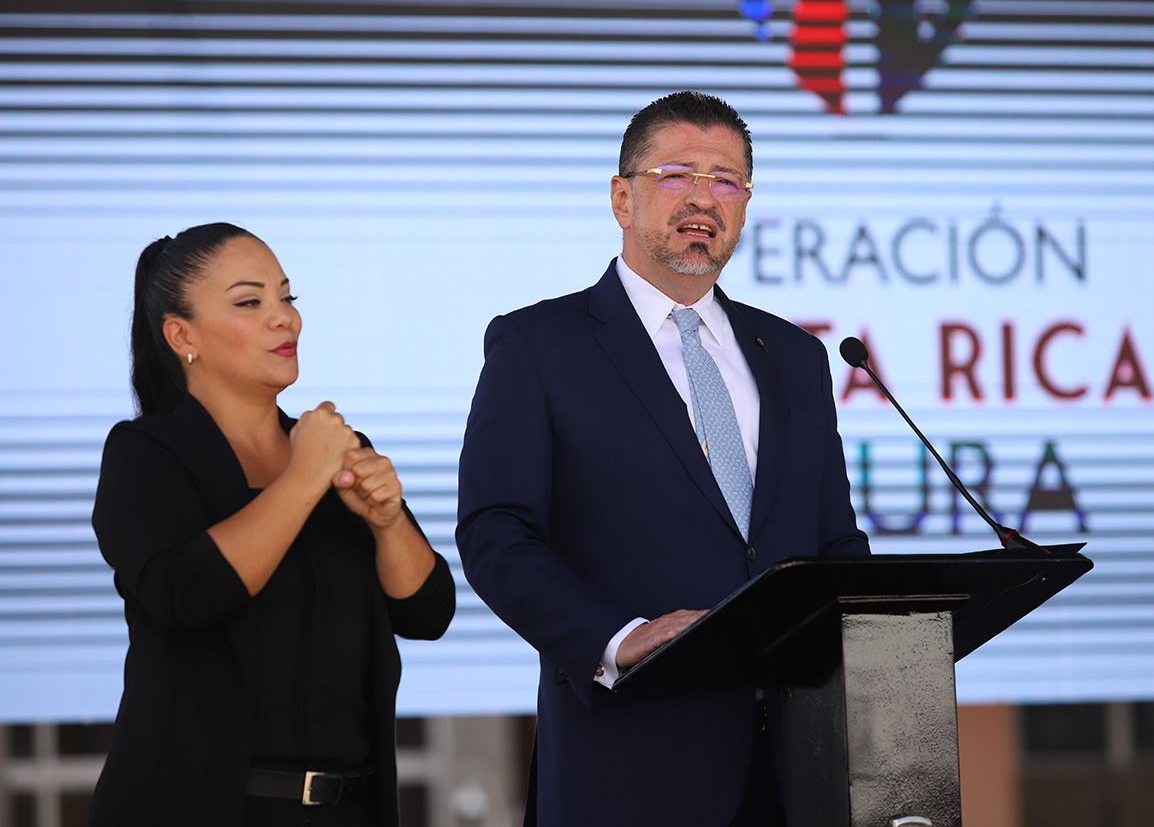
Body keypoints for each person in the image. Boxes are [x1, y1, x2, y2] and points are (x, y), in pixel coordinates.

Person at [456, 91, 870, 826]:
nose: (704, 198)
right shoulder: (538, 347)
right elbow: (496, 533)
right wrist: (616, 638)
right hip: (633, 762)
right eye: (677, 174)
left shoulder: (797, 357)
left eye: (728, 180)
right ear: (622, 197)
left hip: (801, 765)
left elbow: (836, 544)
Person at [89, 222, 456, 827]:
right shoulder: (146, 452)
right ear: (182, 336)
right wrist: (303, 477)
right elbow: (185, 594)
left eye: (287, 297)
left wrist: (389, 524)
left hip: (350, 809)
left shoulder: (334, 446)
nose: (284, 318)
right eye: (249, 302)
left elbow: (428, 614)